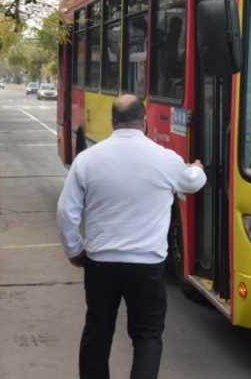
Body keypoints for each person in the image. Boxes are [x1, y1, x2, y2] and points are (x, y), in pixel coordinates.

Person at [56, 94, 207, 379]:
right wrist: (197, 169)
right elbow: (193, 182)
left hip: (100, 264)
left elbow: (66, 212)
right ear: (145, 121)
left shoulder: (87, 160)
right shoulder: (164, 159)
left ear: (113, 122)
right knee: (147, 336)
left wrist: (75, 251)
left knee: (97, 333)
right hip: (147, 267)